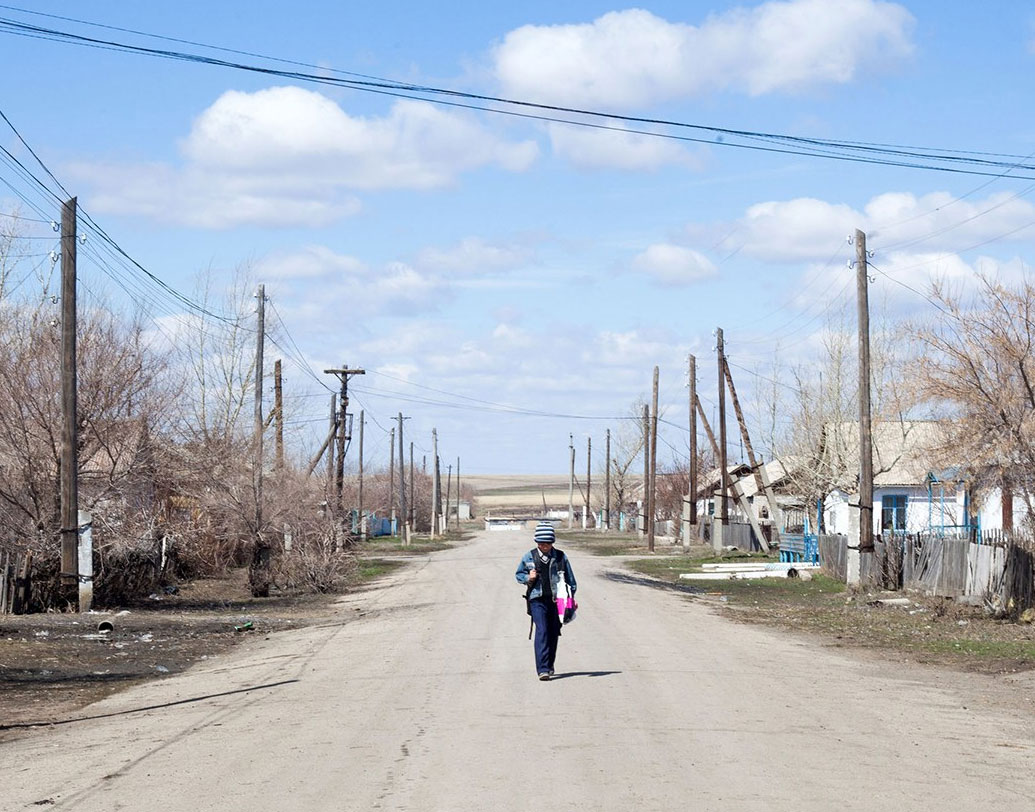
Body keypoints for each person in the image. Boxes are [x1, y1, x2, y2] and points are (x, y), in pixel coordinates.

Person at [514, 522, 577, 680]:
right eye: (541, 543)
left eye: (548, 543)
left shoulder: (561, 557)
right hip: (537, 600)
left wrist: (570, 603)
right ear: (536, 542)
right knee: (542, 630)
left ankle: (549, 665)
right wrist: (529, 577)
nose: (545, 546)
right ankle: (542, 669)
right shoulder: (529, 557)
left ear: (552, 542)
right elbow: (518, 575)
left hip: (558, 601)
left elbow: (571, 582)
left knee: (553, 632)